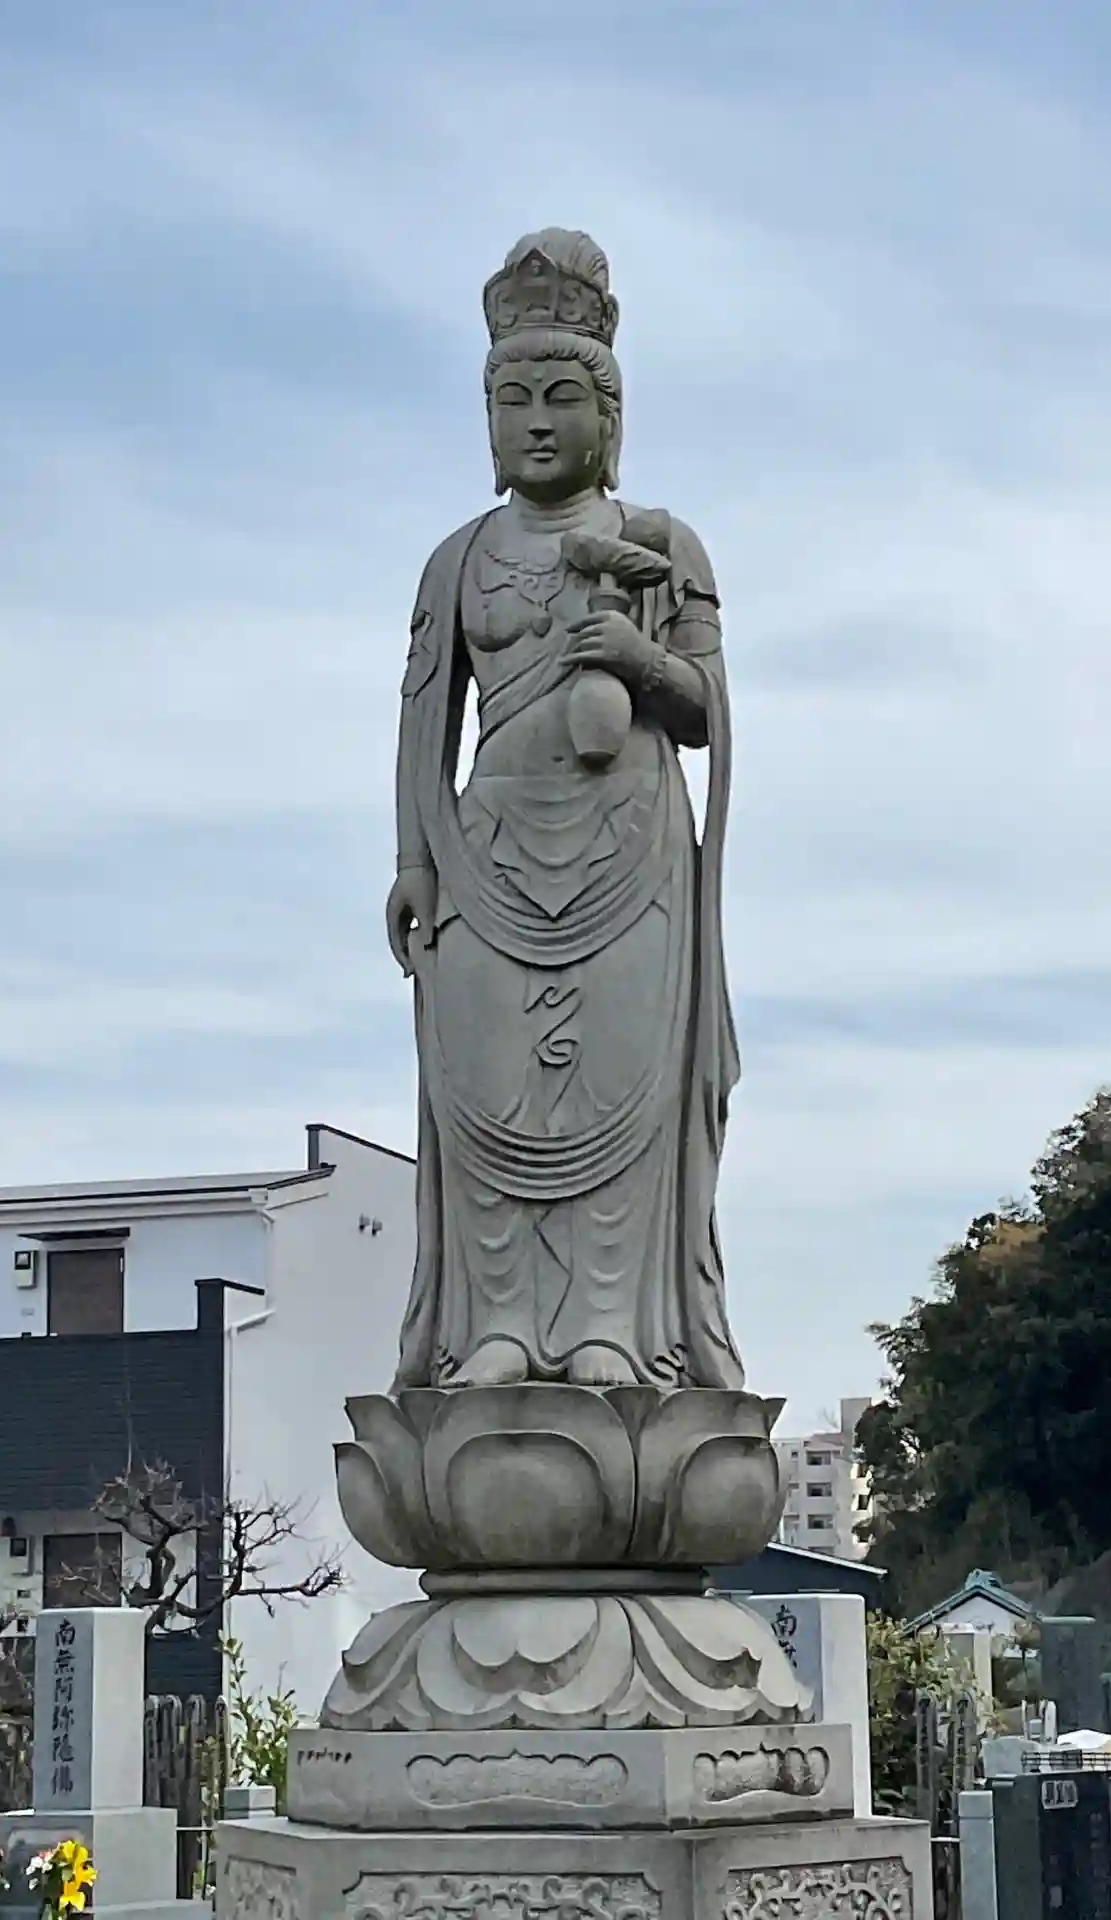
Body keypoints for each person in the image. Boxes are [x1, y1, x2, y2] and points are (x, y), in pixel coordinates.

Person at [385, 228, 743, 1392]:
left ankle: (610, 1327)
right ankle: (497, 1326)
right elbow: (424, 722)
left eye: (562, 398)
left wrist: (638, 661)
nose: (536, 423)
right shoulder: (457, 561)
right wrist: (413, 860)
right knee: (486, 1093)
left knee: (624, 1093)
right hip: (486, 850)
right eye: (513, 400)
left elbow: (707, 709)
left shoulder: (662, 544)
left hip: (631, 848)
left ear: (610, 416)